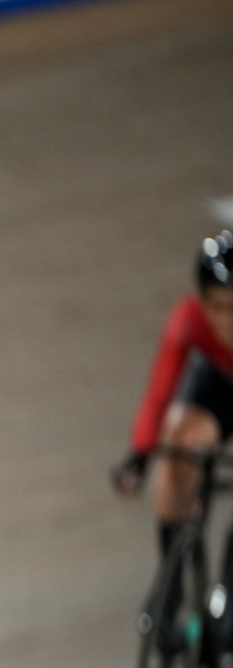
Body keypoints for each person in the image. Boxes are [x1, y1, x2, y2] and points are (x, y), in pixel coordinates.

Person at [113, 231, 233, 559]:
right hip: (219, 384)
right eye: (216, 306)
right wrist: (140, 454)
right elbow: (160, 393)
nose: (225, 321)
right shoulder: (188, 320)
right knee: (178, 441)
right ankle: (173, 569)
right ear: (202, 302)